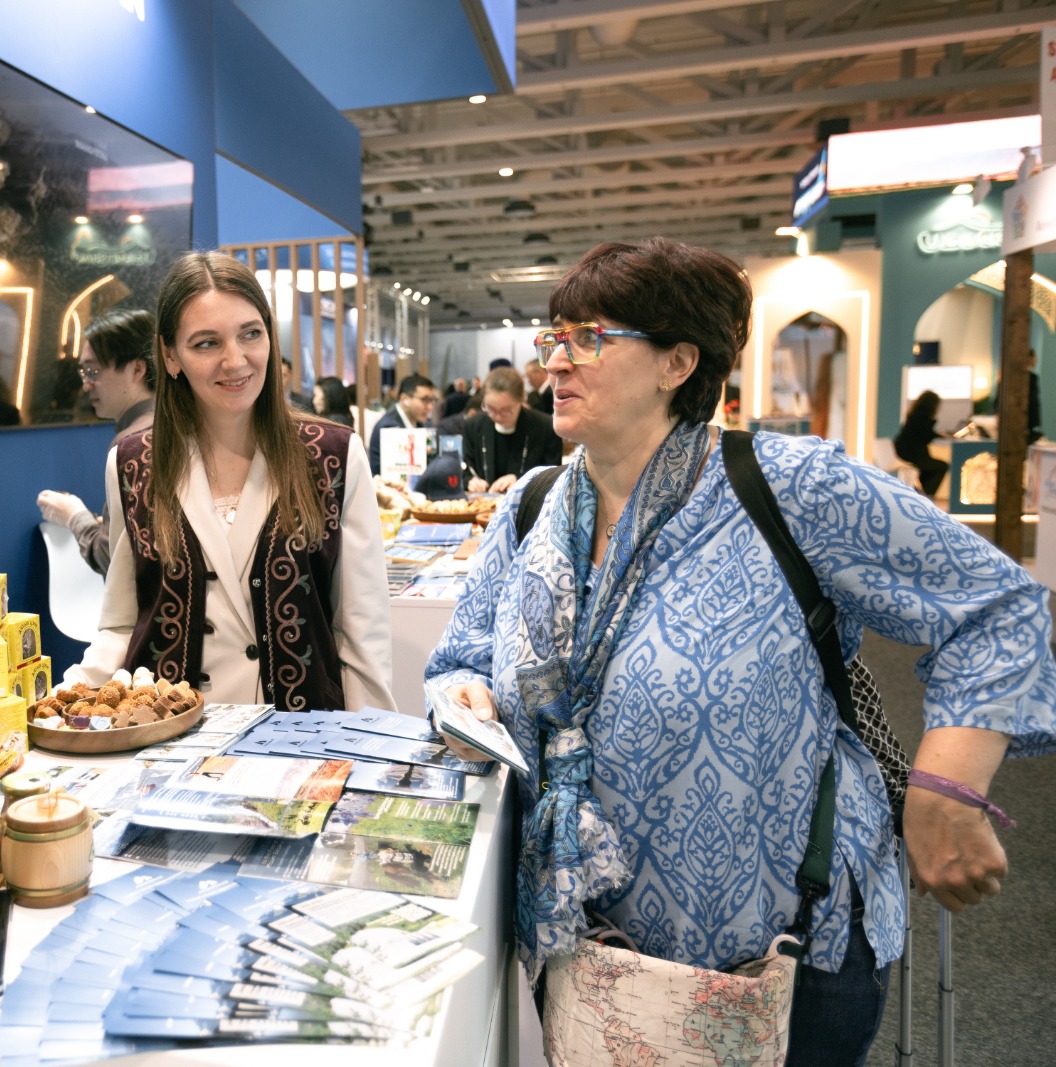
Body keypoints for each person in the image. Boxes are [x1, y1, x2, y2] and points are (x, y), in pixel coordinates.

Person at [426, 237, 1056, 1066]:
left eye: (588, 337)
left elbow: (1000, 605)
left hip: (783, 961)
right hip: (586, 947)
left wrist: (945, 789)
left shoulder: (790, 487)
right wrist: (465, 690)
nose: (556, 362)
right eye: (554, 337)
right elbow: (459, 655)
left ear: (677, 361)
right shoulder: (536, 509)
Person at [66, 251, 394, 711]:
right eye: (206, 343)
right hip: (173, 748)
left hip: (299, 744)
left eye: (250, 334)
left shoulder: (332, 455)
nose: (235, 360)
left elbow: (362, 635)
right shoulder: (132, 462)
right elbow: (122, 624)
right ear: (169, 355)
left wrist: (369, 747)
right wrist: (65, 701)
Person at [36, 308, 156, 574]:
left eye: (93, 372)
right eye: (84, 374)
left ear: (137, 369)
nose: (87, 385)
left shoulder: (132, 445)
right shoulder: (174, 426)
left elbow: (112, 556)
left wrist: (73, 516)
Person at [462, 365, 561, 493]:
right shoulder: (474, 426)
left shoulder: (545, 427)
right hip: (483, 505)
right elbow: (466, 467)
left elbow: (553, 476)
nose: (497, 416)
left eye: (506, 410)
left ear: (521, 399)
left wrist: (521, 480)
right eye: (490, 408)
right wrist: (470, 481)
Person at [367, 373, 439, 475]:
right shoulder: (389, 427)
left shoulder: (419, 424)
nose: (430, 407)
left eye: (432, 401)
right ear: (405, 399)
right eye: (425, 400)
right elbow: (400, 474)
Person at [894, 389, 949, 498]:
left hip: (904, 452)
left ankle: (922, 495)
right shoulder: (923, 417)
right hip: (911, 455)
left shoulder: (914, 415)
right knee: (941, 467)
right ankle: (926, 496)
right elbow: (926, 436)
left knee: (930, 467)